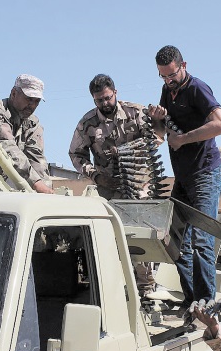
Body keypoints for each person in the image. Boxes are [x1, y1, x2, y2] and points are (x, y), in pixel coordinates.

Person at [146, 45, 221, 311]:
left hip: (205, 173)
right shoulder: (168, 92)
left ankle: (206, 302)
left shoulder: (197, 88)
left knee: (202, 240)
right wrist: (158, 120)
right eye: (163, 77)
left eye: (172, 75)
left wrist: (184, 138)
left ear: (184, 65)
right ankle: (191, 299)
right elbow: (163, 133)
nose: (169, 81)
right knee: (176, 239)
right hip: (182, 178)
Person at [69, 74, 163, 296]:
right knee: (110, 238)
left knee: (140, 237)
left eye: (108, 98)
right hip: (108, 189)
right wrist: (97, 177)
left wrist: (129, 153)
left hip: (139, 186)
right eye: (99, 100)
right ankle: (113, 288)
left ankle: (145, 288)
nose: (105, 103)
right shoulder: (87, 123)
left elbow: (156, 141)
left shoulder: (135, 112)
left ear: (115, 93)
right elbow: (76, 154)